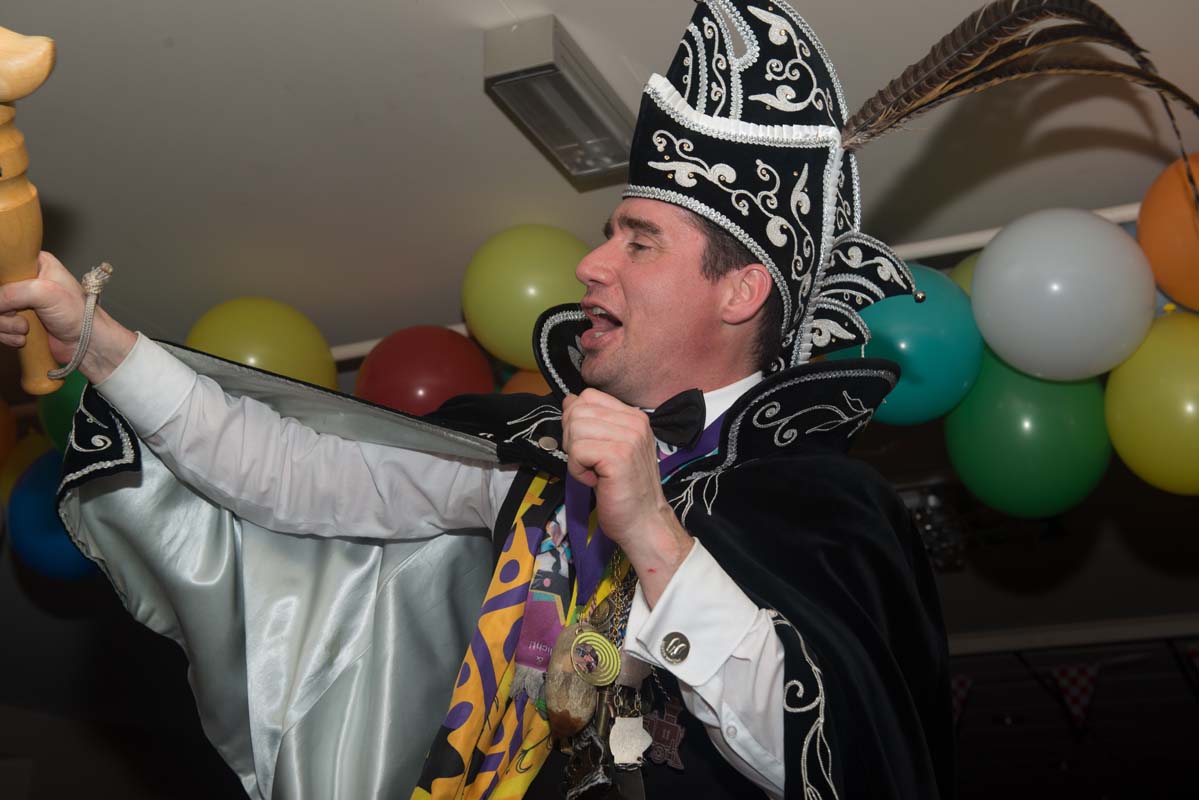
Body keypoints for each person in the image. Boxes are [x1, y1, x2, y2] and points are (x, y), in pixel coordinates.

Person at [3, 1, 1195, 798]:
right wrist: (92, 335)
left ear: (739, 287)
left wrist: (652, 532)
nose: (589, 263)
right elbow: (293, 475)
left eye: (636, 238)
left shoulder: (828, 508)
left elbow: (836, 757)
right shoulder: (530, 460)